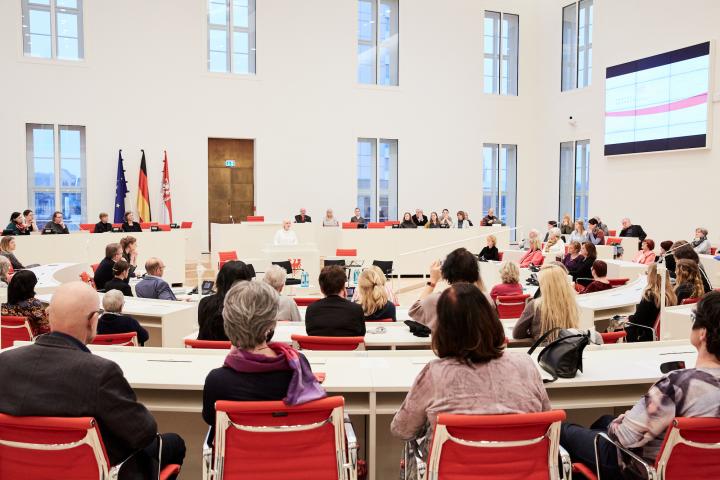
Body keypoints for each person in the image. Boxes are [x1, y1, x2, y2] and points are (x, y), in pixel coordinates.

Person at [0, 281, 185, 477]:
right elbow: (144, 432)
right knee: (174, 443)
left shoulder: (4, 362)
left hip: (19, 471)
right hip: (90, 471)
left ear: (48, 316)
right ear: (92, 320)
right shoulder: (100, 373)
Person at [560, 292, 720, 478]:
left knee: (563, 431)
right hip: (698, 469)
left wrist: (622, 420)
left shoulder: (677, 385)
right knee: (603, 421)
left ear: (703, 334)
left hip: (641, 466)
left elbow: (624, 437)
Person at [392, 283, 551, 459]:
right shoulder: (525, 365)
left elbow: (402, 430)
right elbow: (546, 421)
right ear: (491, 319)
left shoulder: (435, 374)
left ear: (442, 328)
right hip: (522, 470)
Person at [202, 280, 326, 444]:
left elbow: (211, 420)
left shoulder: (217, 380)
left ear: (228, 322)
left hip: (242, 465)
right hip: (294, 459)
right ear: (271, 322)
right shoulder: (297, 365)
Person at [513, 265, 601, 344]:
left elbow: (517, 333)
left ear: (544, 284)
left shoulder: (535, 305)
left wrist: (533, 333)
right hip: (568, 350)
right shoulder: (572, 304)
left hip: (543, 353)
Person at [408, 247, 490, 331]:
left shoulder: (436, 300)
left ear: (446, 271)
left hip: (445, 344)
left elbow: (415, 310)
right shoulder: (487, 299)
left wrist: (432, 281)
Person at [198, 260, 253, 340]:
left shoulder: (204, 303)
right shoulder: (248, 307)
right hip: (235, 351)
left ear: (219, 279)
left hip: (203, 350)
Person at [305, 265, 365, 336]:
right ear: (343, 287)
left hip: (318, 347)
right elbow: (361, 335)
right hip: (345, 347)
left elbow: (309, 333)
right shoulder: (356, 309)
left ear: (321, 289)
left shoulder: (311, 309)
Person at [625, 263, 676, 342]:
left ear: (651, 276)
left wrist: (628, 318)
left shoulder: (650, 295)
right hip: (662, 333)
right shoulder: (671, 295)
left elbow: (637, 320)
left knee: (621, 326)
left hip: (645, 334)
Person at [1, 270, 49, 336]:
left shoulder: (4, 303)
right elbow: (45, 329)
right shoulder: (34, 304)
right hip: (32, 338)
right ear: (31, 285)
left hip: (9, 337)